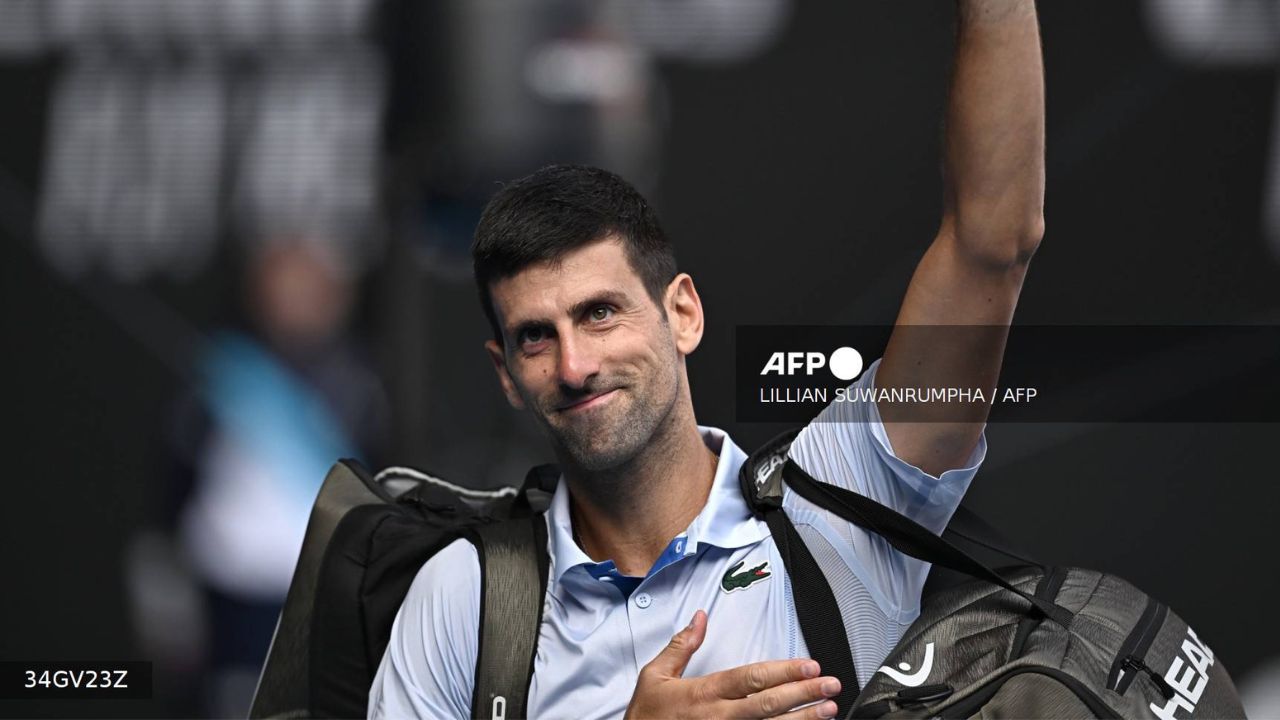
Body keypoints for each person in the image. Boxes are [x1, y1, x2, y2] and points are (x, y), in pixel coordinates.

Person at [369, 1, 1044, 717]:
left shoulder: (842, 505)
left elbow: (991, 243)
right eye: (536, 336)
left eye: (600, 313)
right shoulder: (462, 597)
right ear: (505, 373)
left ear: (683, 313)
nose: (574, 365)